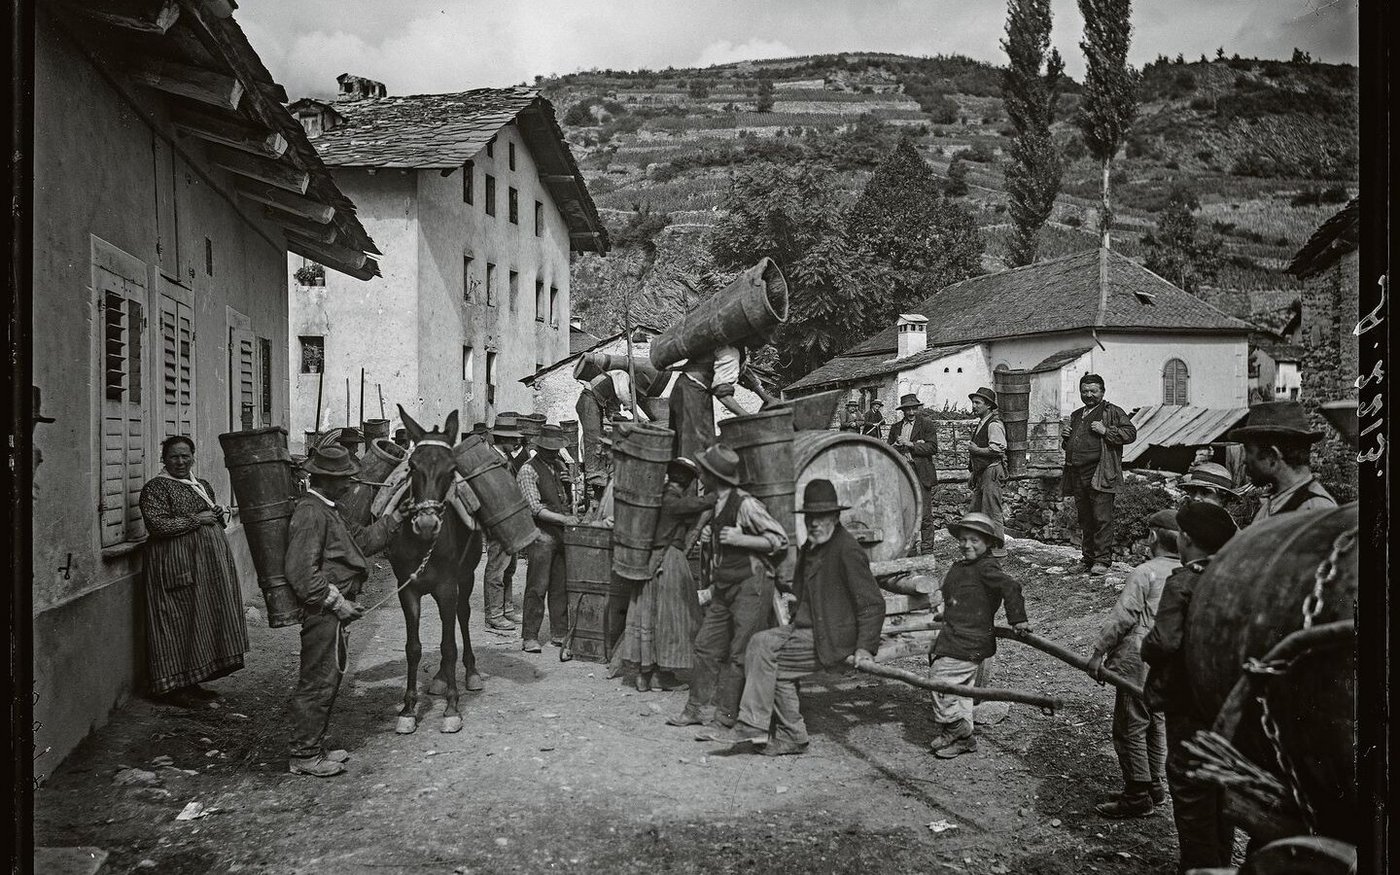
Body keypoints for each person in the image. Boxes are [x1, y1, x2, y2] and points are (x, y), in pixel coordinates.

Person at [706, 479, 885, 756]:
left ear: (835, 517)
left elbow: (872, 603)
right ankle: (780, 732)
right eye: (810, 517)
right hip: (806, 628)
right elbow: (803, 588)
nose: (814, 523)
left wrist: (864, 647)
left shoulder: (847, 549)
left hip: (833, 637)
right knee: (760, 642)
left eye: (822, 517)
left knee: (769, 660)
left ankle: (765, 728)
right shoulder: (812, 546)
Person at [283, 445, 409, 777]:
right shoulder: (310, 513)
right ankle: (304, 754)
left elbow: (364, 542)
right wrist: (337, 603)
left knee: (330, 676)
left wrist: (394, 519)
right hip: (323, 611)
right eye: (341, 479)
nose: (347, 485)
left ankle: (314, 745)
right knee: (318, 680)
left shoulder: (331, 509)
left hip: (333, 610)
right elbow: (300, 571)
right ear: (323, 479)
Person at [1140, 500, 1239, 872]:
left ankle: (1199, 867)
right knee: (1220, 789)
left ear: (1186, 540)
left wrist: (1146, 647)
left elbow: (1164, 642)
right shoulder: (1233, 577)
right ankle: (1221, 865)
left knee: (1191, 790)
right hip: (1228, 703)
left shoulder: (1182, 582)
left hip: (1189, 701)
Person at [667, 443, 788, 730]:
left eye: (704, 472)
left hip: (752, 584)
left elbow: (779, 540)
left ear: (713, 476)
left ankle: (726, 716)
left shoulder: (746, 504)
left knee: (739, 652)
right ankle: (696, 708)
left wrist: (741, 539)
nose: (700, 476)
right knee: (705, 647)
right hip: (726, 586)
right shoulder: (716, 503)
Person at [138, 436, 250, 708]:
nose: (180, 461)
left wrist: (217, 514)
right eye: (174, 457)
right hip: (174, 565)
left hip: (204, 569)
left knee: (201, 620)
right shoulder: (155, 488)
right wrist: (196, 519)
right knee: (175, 622)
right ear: (164, 459)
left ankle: (193, 681)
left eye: (186, 456)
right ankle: (172, 687)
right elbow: (158, 526)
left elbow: (217, 525)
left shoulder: (201, 486)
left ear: (193, 457)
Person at [1088, 509, 1180, 818]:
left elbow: (1123, 617)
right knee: (1156, 722)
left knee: (1130, 724)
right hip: (1168, 659)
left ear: (1153, 537)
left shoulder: (1146, 572)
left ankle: (1137, 794)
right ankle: (1154, 786)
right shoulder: (1188, 572)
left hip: (1139, 657)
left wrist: (1099, 652)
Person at [927, 512, 1030, 759]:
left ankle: (956, 729)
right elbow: (958, 595)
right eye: (963, 539)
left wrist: (1018, 620)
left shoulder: (986, 567)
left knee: (939, 679)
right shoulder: (962, 566)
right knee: (960, 688)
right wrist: (946, 609)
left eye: (974, 540)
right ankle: (965, 739)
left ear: (989, 544)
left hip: (970, 640)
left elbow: (1011, 586)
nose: (967, 545)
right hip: (956, 635)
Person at [612, 457, 716, 691]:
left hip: (650, 563)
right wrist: (717, 494)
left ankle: (645, 673)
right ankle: (662, 675)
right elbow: (694, 506)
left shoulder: (658, 497)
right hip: (669, 560)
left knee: (648, 615)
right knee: (673, 617)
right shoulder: (671, 500)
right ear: (688, 482)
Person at [1060, 374, 1137, 575]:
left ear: (1102, 392)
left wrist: (1105, 430)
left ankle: (1102, 561)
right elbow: (1072, 445)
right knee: (1085, 517)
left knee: (1102, 517)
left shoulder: (1111, 412)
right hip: (1077, 473)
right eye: (1085, 391)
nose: (1089, 395)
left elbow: (1130, 434)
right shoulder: (1078, 414)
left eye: (1093, 391)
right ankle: (1087, 559)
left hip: (1101, 471)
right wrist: (1066, 438)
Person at [516, 424, 579, 653]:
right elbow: (534, 508)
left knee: (560, 586)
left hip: (560, 535)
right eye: (549, 449)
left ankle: (559, 632)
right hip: (541, 535)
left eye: (556, 450)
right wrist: (564, 519)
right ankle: (530, 636)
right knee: (537, 586)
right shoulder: (528, 470)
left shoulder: (558, 466)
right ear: (540, 447)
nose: (553, 453)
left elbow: (565, 501)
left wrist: (569, 486)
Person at [1226, 401, 1337, 522]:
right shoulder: (1275, 502)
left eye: (1248, 451)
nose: (1244, 461)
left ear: (1272, 456)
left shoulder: (1314, 512)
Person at [483, 413, 526, 633]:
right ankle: (494, 615)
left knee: (509, 567)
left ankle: (506, 607)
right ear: (502, 438)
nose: (517, 442)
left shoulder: (503, 458)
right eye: (513, 439)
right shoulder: (491, 459)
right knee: (497, 569)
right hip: (498, 520)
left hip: (509, 519)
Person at [887, 393, 939, 553]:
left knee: (925, 514)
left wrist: (912, 444)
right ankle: (910, 549)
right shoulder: (896, 427)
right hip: (903, 473)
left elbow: (932, 448)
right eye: (907, 409)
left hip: (921, 473)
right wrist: (895, 446)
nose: (910, 412)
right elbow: (888, 449)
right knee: (906, 512)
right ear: (903, 410)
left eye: (913, 409)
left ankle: (927, 549)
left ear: (917, 408)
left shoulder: (926, 425)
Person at [966, 387, 1008, 559]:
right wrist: (973, 473)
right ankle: (982, 545)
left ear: (989, 406)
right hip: (982, 472)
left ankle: (998, 547)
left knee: (992, 510)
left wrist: (976, 450)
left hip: (992, 471)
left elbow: (998, 449)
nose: (974, 406)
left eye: (978, 403)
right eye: (973, 402)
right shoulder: (982, 422)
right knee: (976, 509)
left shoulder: (994, 424)